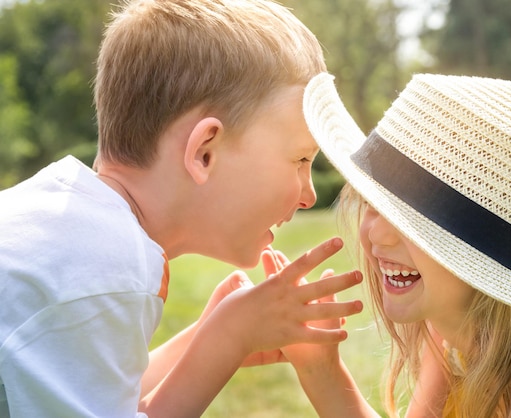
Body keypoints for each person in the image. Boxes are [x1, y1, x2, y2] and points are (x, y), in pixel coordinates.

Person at [0, 2, 365, 417]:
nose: (309, 195)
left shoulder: (70, 229)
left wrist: (198, 340)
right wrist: (228, 338)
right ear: (204, 152)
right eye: (301, 159)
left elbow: (103, 396)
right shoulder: (104, 270)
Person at [272, 72, 511, 417]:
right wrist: (321, 369)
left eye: (415, 223)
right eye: (370, 203)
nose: (377, 234)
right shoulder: (450, 333)